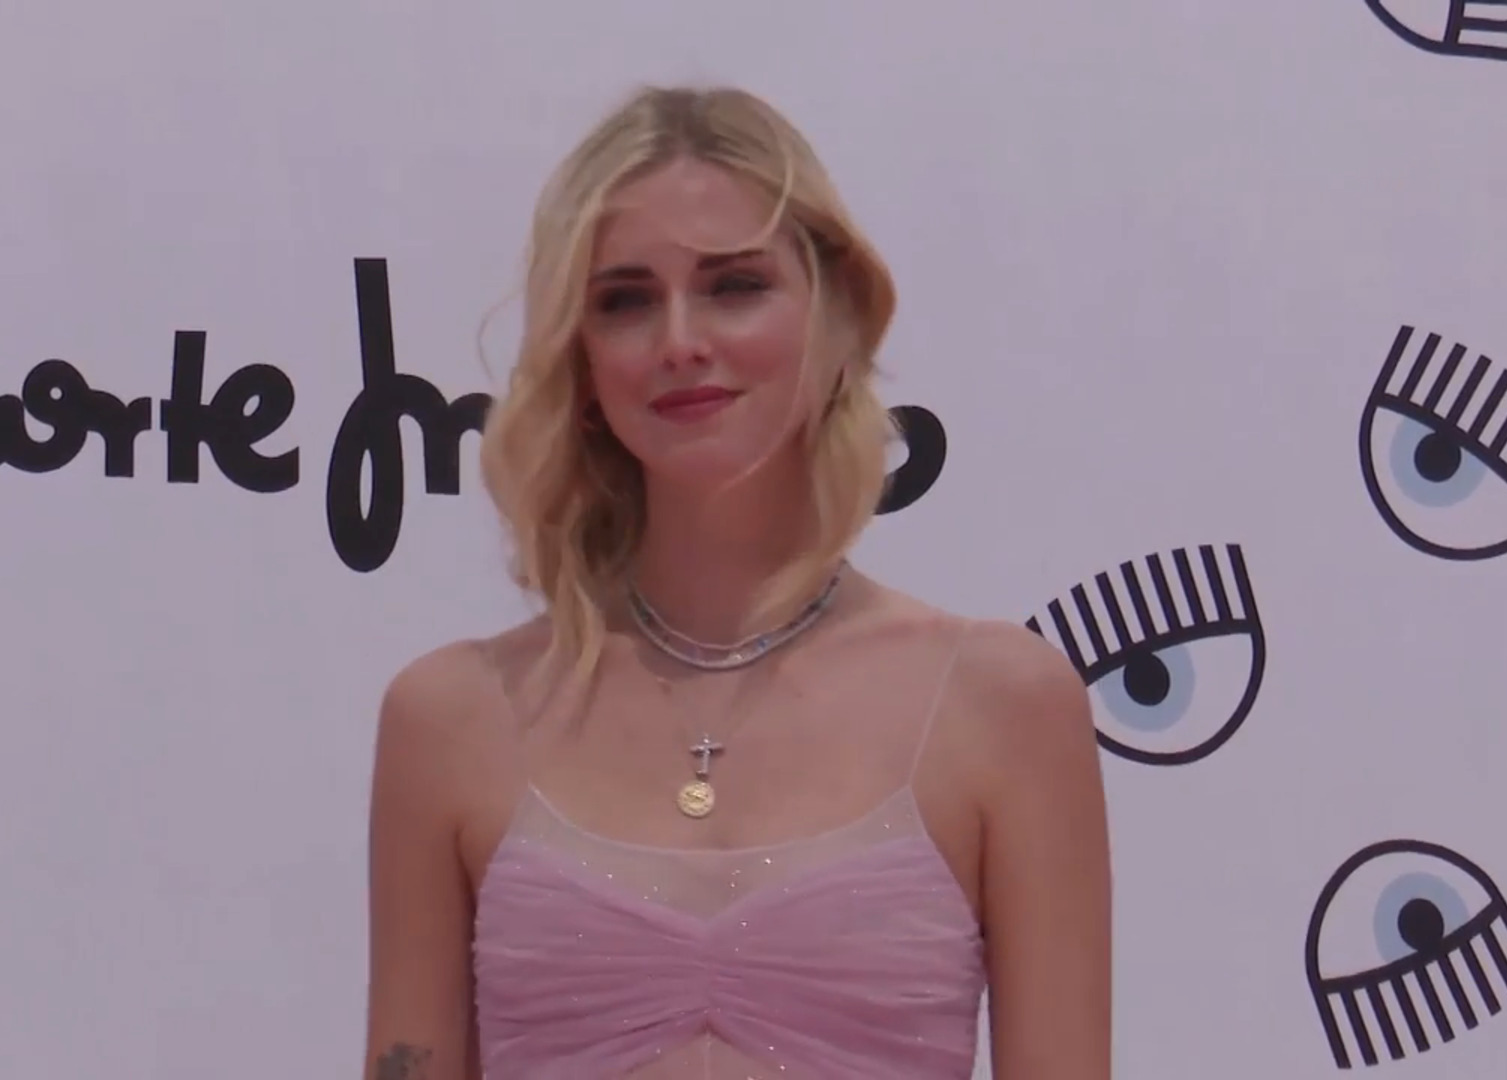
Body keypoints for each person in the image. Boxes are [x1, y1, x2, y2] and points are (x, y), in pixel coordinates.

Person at [361, 83, 1111, 1080]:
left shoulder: (1002, 705)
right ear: (580, 359)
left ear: (836, 314)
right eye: (626, 300)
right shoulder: (449, 719)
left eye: (734, 285)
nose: (681, 340)